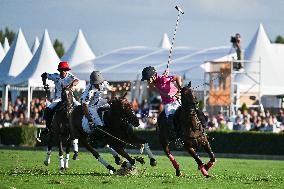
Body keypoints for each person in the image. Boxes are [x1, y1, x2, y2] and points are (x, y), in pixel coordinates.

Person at [141, 66, 182, 142]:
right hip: (168, 103)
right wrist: (168, 95)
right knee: (170, 119)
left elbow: (178, 77)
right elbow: (160, 92)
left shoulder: (163, 78)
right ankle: (177, 138)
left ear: (153, 76)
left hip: (178, 99)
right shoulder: (153, 83)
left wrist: (179, 89)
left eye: (147, 79)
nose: (147, 81)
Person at [41, 61, 80, 134]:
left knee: (81, 107)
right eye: (62, 70)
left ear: (67, 70)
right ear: (59, 70)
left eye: (65, 70)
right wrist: (44, 84)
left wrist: (71, 85)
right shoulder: (55, 76)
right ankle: (48, 128)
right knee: (48, 110)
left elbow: (77, 81)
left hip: (69, 97)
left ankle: (84, 126)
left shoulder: (70, 76)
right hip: (58, 98)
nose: (63, 71)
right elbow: (44, 75)